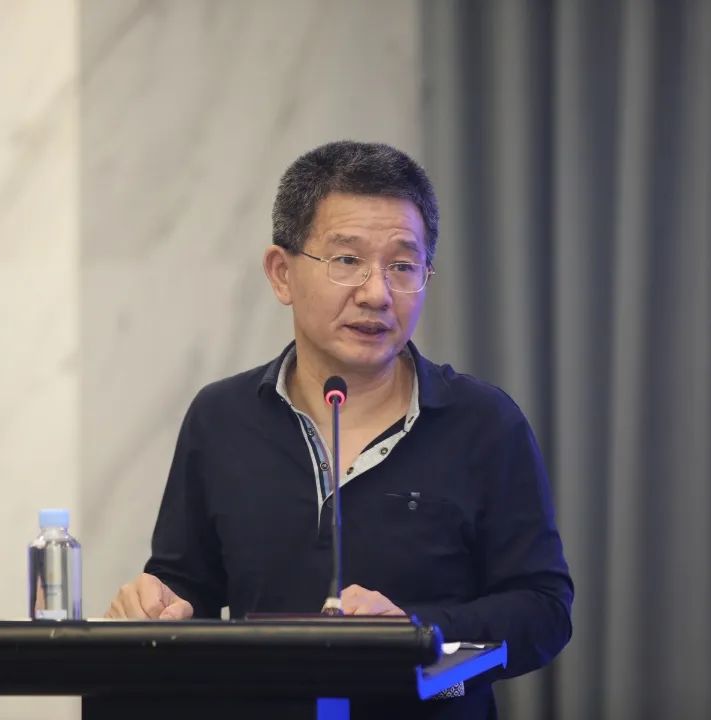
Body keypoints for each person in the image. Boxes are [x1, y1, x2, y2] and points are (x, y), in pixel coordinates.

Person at [105, 141, 573, 718]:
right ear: (282, 274)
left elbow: (543, 613)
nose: (377, 293)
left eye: (403, 266)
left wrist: (419, 638)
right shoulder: (221, 418)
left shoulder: (484, 423)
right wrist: (157, 604)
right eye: (347, 260)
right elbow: (187, 588)